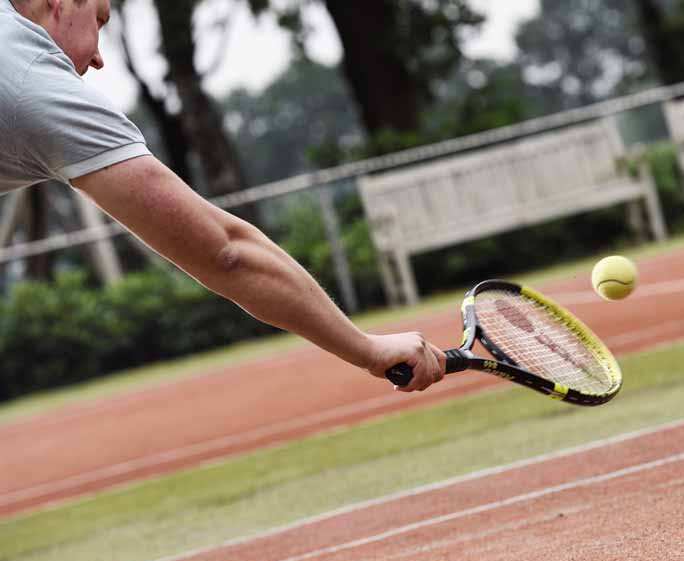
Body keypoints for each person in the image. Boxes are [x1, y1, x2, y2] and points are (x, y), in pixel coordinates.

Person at [0, 0, 446, 391]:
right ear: (60, 2)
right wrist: (368, 348)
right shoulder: (34, 85)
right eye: (101, 19)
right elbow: (226, 252)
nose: (98, 57)